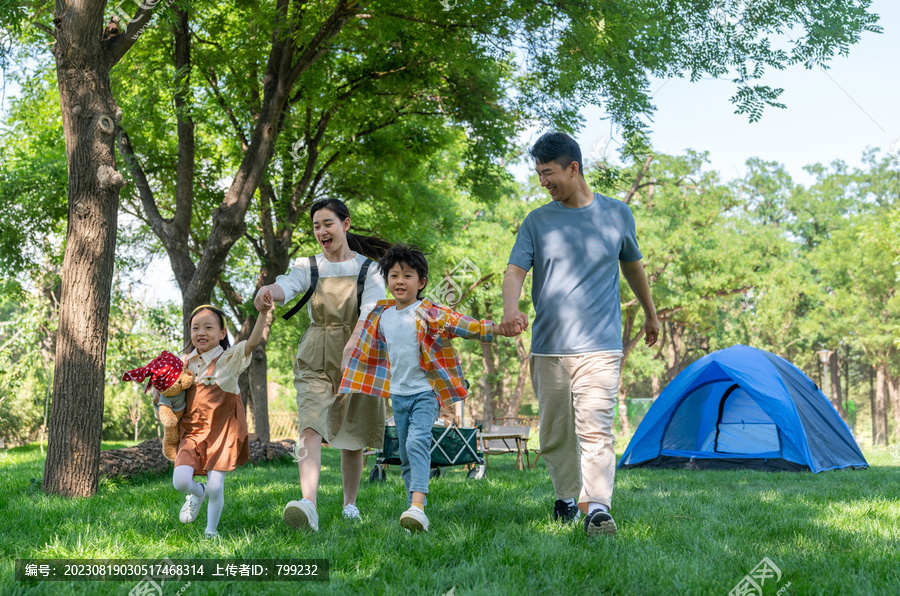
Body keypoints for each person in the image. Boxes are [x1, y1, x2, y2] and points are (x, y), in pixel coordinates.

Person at [499, 132, 659, 537]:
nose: (543, 182)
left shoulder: (617, 214)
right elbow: (515, 270)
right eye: (538, 174)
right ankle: (568, 498)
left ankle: (598, 509)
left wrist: (650, 314)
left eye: (548, 173)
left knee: (596, 428)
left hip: (601, 346)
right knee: (555, 434)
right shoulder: (537, 221)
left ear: (574, 168)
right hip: (549, 347)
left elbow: (633, 267)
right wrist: (510, 308)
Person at [340, 244, 518, 533]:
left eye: (408, 276)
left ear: (421, 283)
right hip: (398, 396)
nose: (400, 281)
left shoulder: (428, 312)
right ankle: (413, 510)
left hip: (426, 393)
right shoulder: (380, 315)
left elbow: (462, 324)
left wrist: (497, 328)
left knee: (416, 442)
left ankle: (418, 506)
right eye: (394, 275)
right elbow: (365, 352)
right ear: (387, 281)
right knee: (407, 454)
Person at [254, 199, 390, 532]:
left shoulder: (369, 269)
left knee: (352, 434)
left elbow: (372, 311)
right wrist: (268, 291)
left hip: (359, 350)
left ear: (345, 224)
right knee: (310, 426)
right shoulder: (308, 265)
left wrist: (352, 346)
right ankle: (309, 505)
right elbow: (289, 284)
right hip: (315, 350)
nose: (321, 231)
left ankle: (350, 505)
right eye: (316, 226)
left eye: (327, 223)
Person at [170, 297, 273, 539]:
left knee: (217, 486)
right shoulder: (184, 362)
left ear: (222, 332)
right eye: (195, 328)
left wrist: (263, 314)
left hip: (221, 434)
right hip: (191, 434)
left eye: (208, 327)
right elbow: (169, 392)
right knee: (180, 481)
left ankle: (211, 531)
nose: (201, 333)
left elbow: (253, 342)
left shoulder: (229, 359)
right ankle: (197, 492)